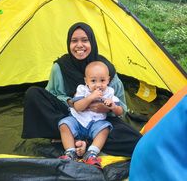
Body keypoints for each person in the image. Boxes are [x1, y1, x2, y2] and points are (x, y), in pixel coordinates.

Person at [21, 22, 141, 157]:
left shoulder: (106, 69)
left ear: (92, 43)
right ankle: (76, 138)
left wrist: (106, 109)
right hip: (69, 115)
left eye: (85, 40)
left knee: (136, 141)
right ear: (68, 43)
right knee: (33, 94)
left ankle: (81, 141)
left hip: (99, 122)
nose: (79, 45)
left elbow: (122, 109)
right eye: (74, 41)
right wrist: (71, 102)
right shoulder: (60, 66)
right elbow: (51, 95)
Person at [58, 61, 123, 167]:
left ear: (108, 80)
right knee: (64, 124)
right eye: (93, 81)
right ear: (86, 81)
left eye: (102, 80)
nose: (98, 85)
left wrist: (113, 107)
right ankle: (70, 152)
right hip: (78, 121)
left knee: (105, 128)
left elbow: (120, 111)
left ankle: (91, 153)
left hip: (96, 124)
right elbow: (78, 107)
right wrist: (91, 97)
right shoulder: (82, 89)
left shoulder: (109, 92)